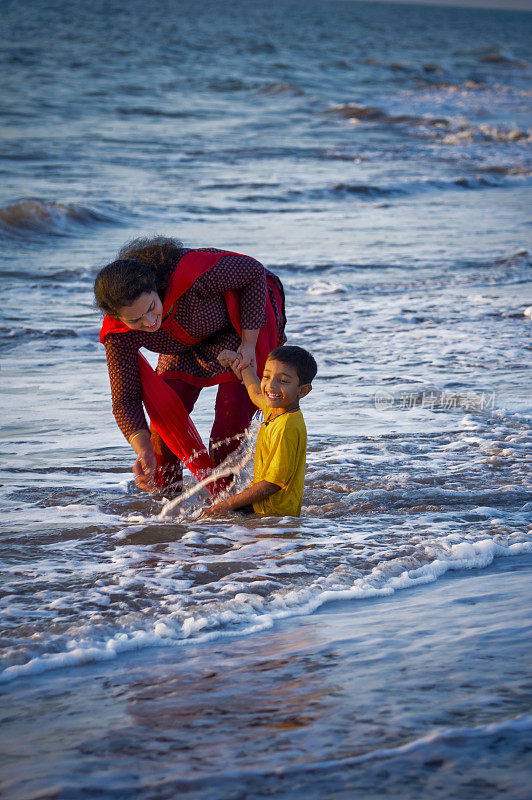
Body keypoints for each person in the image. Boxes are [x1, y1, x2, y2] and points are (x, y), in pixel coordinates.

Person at [94, 237, 286, 495]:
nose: (150, 322)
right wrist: (142, 451)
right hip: (179, 345)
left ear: (156, 286)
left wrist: (249, 344)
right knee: (160, 439)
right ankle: (169, 515)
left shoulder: (190, 274)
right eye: (136, 320)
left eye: (151, 308)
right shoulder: (118, 334)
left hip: (235, 328)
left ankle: (232, 508)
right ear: (117, 318)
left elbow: (253, 273)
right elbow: (125, 400)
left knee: (228, 429)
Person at [202, 345, 317, 518]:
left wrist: (227, 504)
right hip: (263, 507)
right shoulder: (276, 409)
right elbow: (255, 391)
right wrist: (241, 363)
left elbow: (272, 484)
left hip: (274, 517)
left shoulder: (287, 426)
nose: (271, 386)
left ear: (302, 390)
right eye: (267, 376)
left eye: (283, 381)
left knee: (209, 521)